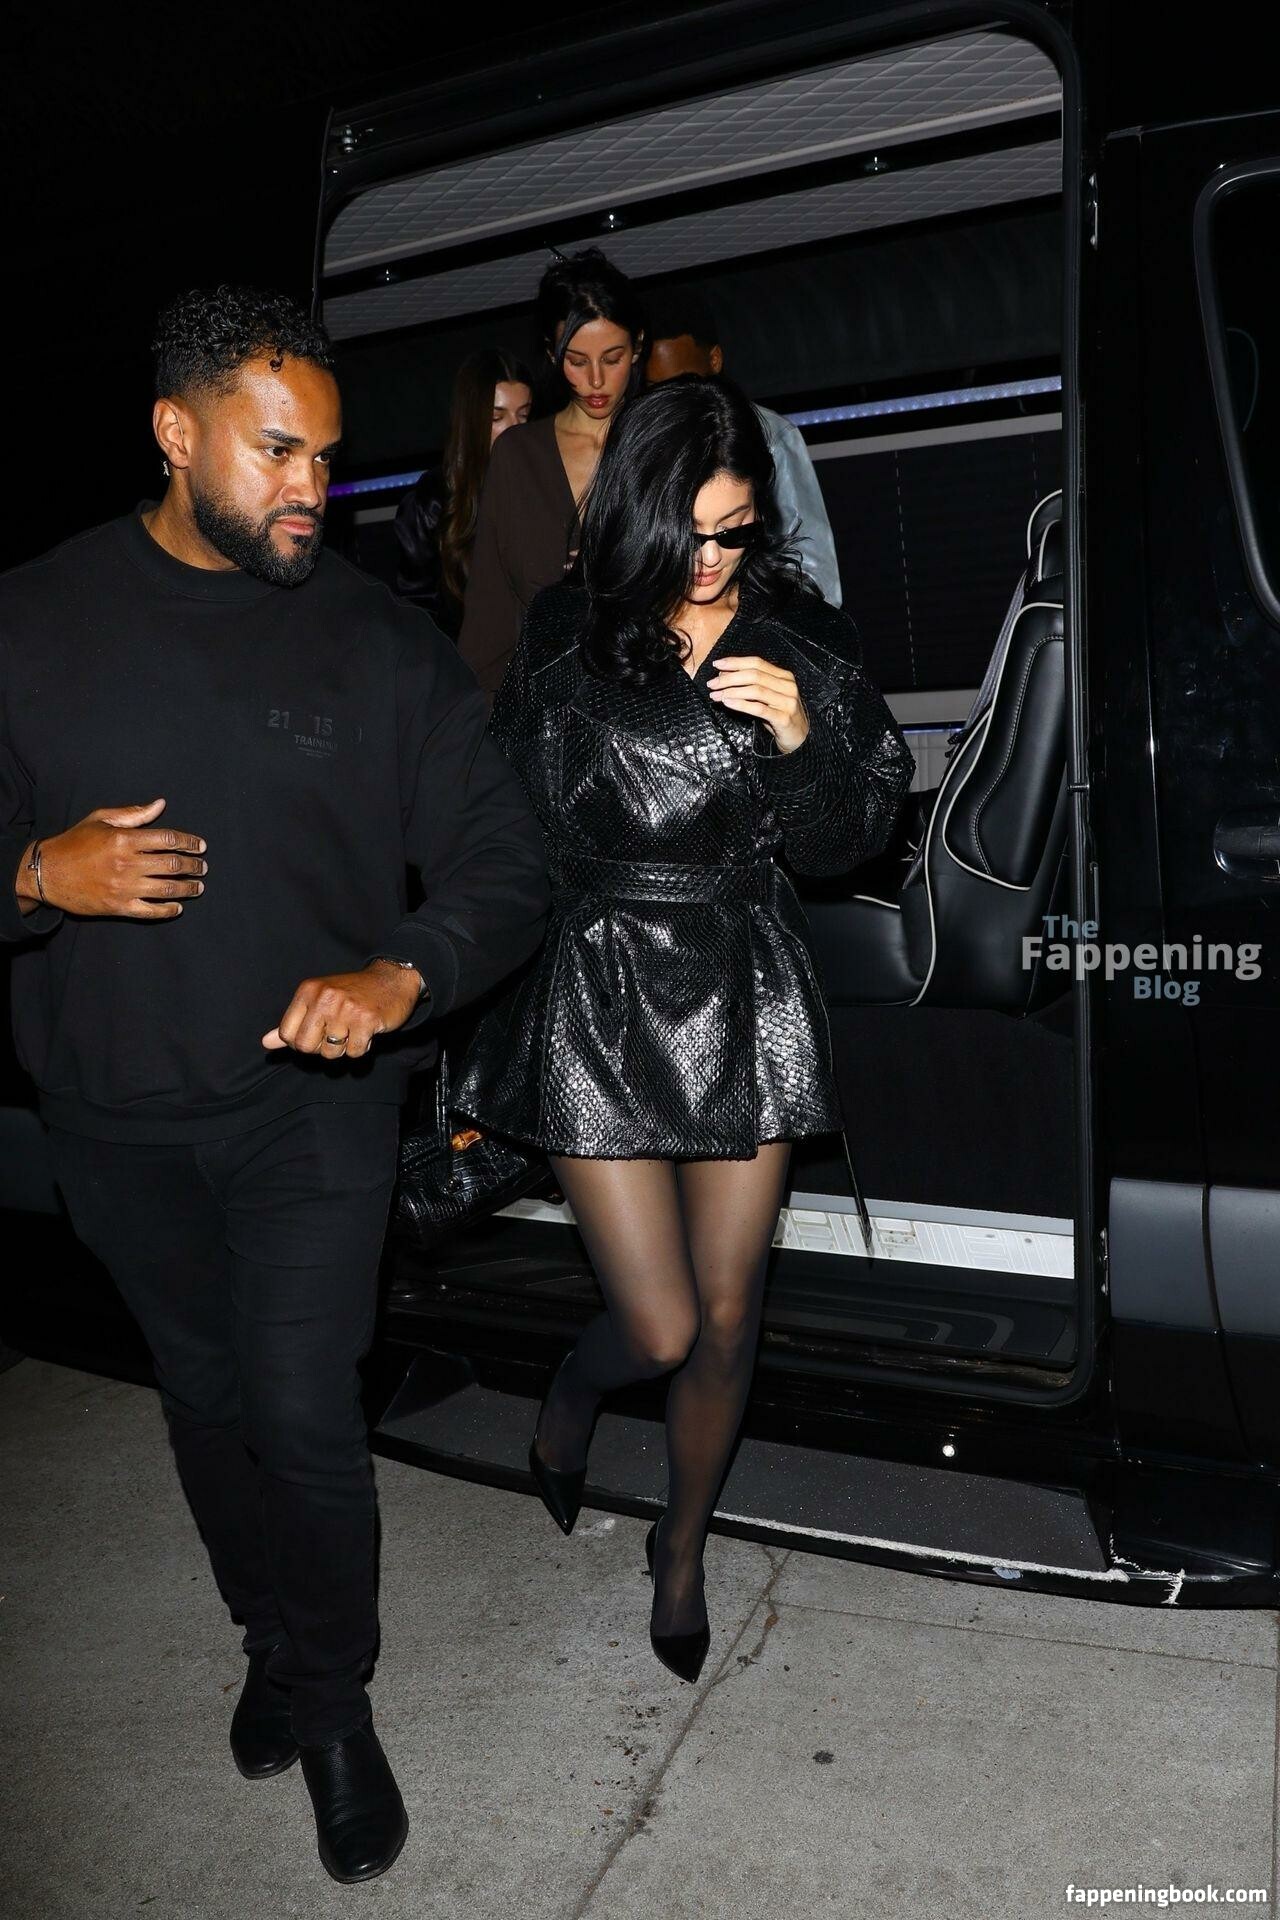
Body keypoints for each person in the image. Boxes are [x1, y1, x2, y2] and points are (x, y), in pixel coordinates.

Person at [0, 286, 549, 1884]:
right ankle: (271, 1634)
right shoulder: (30, 621)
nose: (316, 486)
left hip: (313, 1113)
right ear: (175, 436)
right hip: (116, 1115)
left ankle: (334, 1706)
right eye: (279, 451)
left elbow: (506, 860)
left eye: (328, 456)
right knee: (206, 1395)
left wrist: (403, 974)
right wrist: (35, 873)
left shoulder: (375, 642)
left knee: (303, 1408)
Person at [451, 375, 913, 1684]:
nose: (712, 561)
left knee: (724, 1318)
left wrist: (804, 736)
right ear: (637, 515)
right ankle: (574, 1391)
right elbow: (506, 824)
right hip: (598, 985)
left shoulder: (801, 636)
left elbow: (849, 839)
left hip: (743, 988)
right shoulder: (566, 630)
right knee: (653, 1330)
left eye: (734, 532)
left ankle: (682, 1545)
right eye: (689, 533)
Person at [457, 246, 645, 699]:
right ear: (551, 353)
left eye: (612, 358)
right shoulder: (517, 457)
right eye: (576, 361)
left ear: (639, 347)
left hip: (651, 700)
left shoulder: (667, 444)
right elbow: (489, 618)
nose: (595, 380)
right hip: (546, 712)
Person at [645, 288, 843, 607]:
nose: (673, 399)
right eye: (656, 388)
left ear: (714, 360)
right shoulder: (640, 442)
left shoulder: (771, 434)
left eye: (684, 381)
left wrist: (760, 626)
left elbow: (816, 573)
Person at [393, 347, 533, 635]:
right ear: (472, 420)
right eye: (497, 418)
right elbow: (417, 609)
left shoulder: (542, 484)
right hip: (464, 657)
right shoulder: (434, 499)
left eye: (523, 415)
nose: (514, 429)